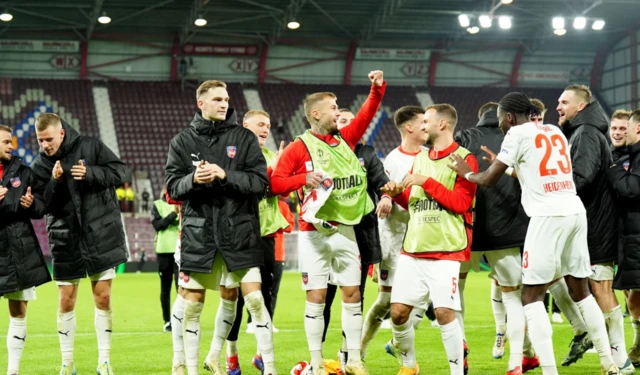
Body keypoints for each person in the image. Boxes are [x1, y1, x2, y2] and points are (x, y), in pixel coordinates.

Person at [448, 91, 620, 375]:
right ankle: (607, 362)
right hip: (574, 213)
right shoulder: (553, 130)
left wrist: (467, 172)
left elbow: (487, 180)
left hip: (546, 217)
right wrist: (507, 166)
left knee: (530, 297)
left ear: (510, 117)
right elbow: (540, 172)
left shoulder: (515, 135)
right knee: (581, 291)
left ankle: (549, 370)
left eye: (503, 120)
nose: (501, 126)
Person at [271, 71, 386, 375]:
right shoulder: (299, 147)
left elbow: (366, 116)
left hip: (346, 230)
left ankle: (354, 360)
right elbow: (276, 184)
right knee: (317, 297)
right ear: (316, 114)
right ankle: (317, 361)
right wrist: (302, 178)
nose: (339, 113)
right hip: (314, 234)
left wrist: (376, 89)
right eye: (334, 108)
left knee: (353, 294)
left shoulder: (345, 140)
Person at [165, 80, 274, 375]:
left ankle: (271, 369)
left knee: (254, 300)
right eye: (217, 99)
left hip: (239, 232)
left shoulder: (244, 138)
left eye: (226, 99)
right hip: (199, 235)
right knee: (191, 306)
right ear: (201, 103)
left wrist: (225, 174)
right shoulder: (182, 141)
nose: (224, 104)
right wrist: (193, 180)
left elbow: (259, 183)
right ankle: (188, 368)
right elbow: (172, 187)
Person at [381, 103, 478, 375]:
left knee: (445, 313)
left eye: (427, 121)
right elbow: (415, 202)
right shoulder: (420, 158)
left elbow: (461, 203)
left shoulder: (464, 158)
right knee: (398, 313)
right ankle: (409, 366)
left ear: (443, 124)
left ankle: (456, 372)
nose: (423, 126)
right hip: (413, 249)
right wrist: (396, 193)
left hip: (446, 250)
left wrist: (426, 182)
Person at [31, 112, 128, 375]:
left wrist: (90, 173)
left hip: (100, 233)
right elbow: (41, 207)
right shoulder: (40, 165)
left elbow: (121, 171)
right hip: (65, 237)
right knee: (65, 301)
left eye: (48, 139)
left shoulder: (91, 146)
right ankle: (67, 363)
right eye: (40, 140)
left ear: (61, 133)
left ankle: (104, 361)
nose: (44, 145)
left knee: (103, 297)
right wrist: (54, 180)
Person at [455, 101, 535, 373]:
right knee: (513, 297)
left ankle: (460, 349)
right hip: (508, 231)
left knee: (457, 290)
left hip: (468, 226)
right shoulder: (518, 137)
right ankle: (517, 362)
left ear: (481, 117)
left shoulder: (464, 137)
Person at [557, 85, 631, 372]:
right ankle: (593, 336)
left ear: (580, 106)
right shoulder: (584, 130)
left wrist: (551, 191)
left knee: (600, 288)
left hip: (594, 225)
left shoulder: (586, 133)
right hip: (591, 222)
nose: (558, 107)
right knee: (566, 281)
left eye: (564, 102)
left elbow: (582, 177)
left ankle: (620, 357)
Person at [323, 107, 392, 370]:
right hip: (327, 233)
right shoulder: (324, 151)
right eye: (341, 120)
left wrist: (386, 196)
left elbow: (381, 181)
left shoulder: (367, 154)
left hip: (361, 233)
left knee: (356, 295)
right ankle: (317, 357)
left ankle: (347, 355)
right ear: (333, 123)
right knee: (323, 297)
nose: (348, 125)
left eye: (352, 121)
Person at [224, 110, 290, 375]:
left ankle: (262, 355)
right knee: (236, 300)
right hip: (239, 235)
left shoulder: (273, 155)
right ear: (245, 125)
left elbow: (280, 189)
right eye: (260, 124)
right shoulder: (233, 154)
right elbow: (250, 186)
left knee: (265, 298)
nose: (266, 129)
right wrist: (276, 170)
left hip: (266, 235)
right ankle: (231, 357)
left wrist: (286, 170)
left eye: (269, 125)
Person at [360, 106, 428, 361]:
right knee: (385, 302)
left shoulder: (430, 155)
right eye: (423, 122)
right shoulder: (393, 159)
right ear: (409, 127)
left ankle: (399, 347)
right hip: (395, 236)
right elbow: (384, 186)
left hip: (423, 235)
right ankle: (361, 349)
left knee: (423, 295)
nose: (426, 126)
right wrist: (387, 197)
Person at [0, 124, 52, 375]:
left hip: (18, 247)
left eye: (11, 142)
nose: (11, 146)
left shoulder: (23, 171)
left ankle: (12, 371)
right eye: (6, 142)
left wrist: (32, 204)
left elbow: (41, 206)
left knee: (18, 310)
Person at [607, 109, 640, 368]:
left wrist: (614, 171)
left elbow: (631, 189)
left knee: (634, 288)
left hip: (632, 230)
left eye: (623, 128)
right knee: (629, 288)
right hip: (617, 231)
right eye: (615, 128)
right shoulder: (611, 156)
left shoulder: (627, 159)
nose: (619, 132)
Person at [151, 186, 180, 332]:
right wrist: (173, 215)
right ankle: (167, 321)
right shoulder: (157, 205)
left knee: (181, 288)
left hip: (180, 251)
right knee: (165, 289)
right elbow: (157, 225)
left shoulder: (182, 204)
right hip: (164, 251)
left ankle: (180, 319)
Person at [272, 196, 295, 321]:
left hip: (278, 254)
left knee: (273, 291)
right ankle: (251, 321)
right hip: (260, 253)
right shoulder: (261, 203)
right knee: (256, 289)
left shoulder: (282, 205)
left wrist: (277, 220)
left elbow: (290, 227)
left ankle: (268, 321)